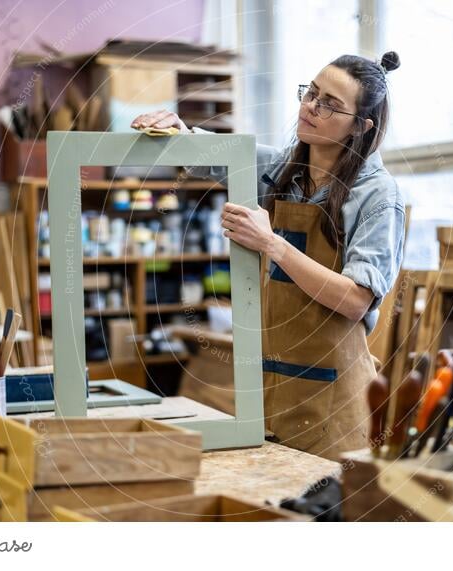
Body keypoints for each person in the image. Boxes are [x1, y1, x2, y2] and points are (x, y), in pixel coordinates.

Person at [131, 52, 405, 461]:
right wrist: (181, 131)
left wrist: (273, 244)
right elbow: (226, 159)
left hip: (336, 405)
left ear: (361, 127)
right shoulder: (283, 170)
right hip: (273, 394)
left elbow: (354, 300)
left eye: (330, 103)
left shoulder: (378, 195)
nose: (311, 107)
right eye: (311, 92)